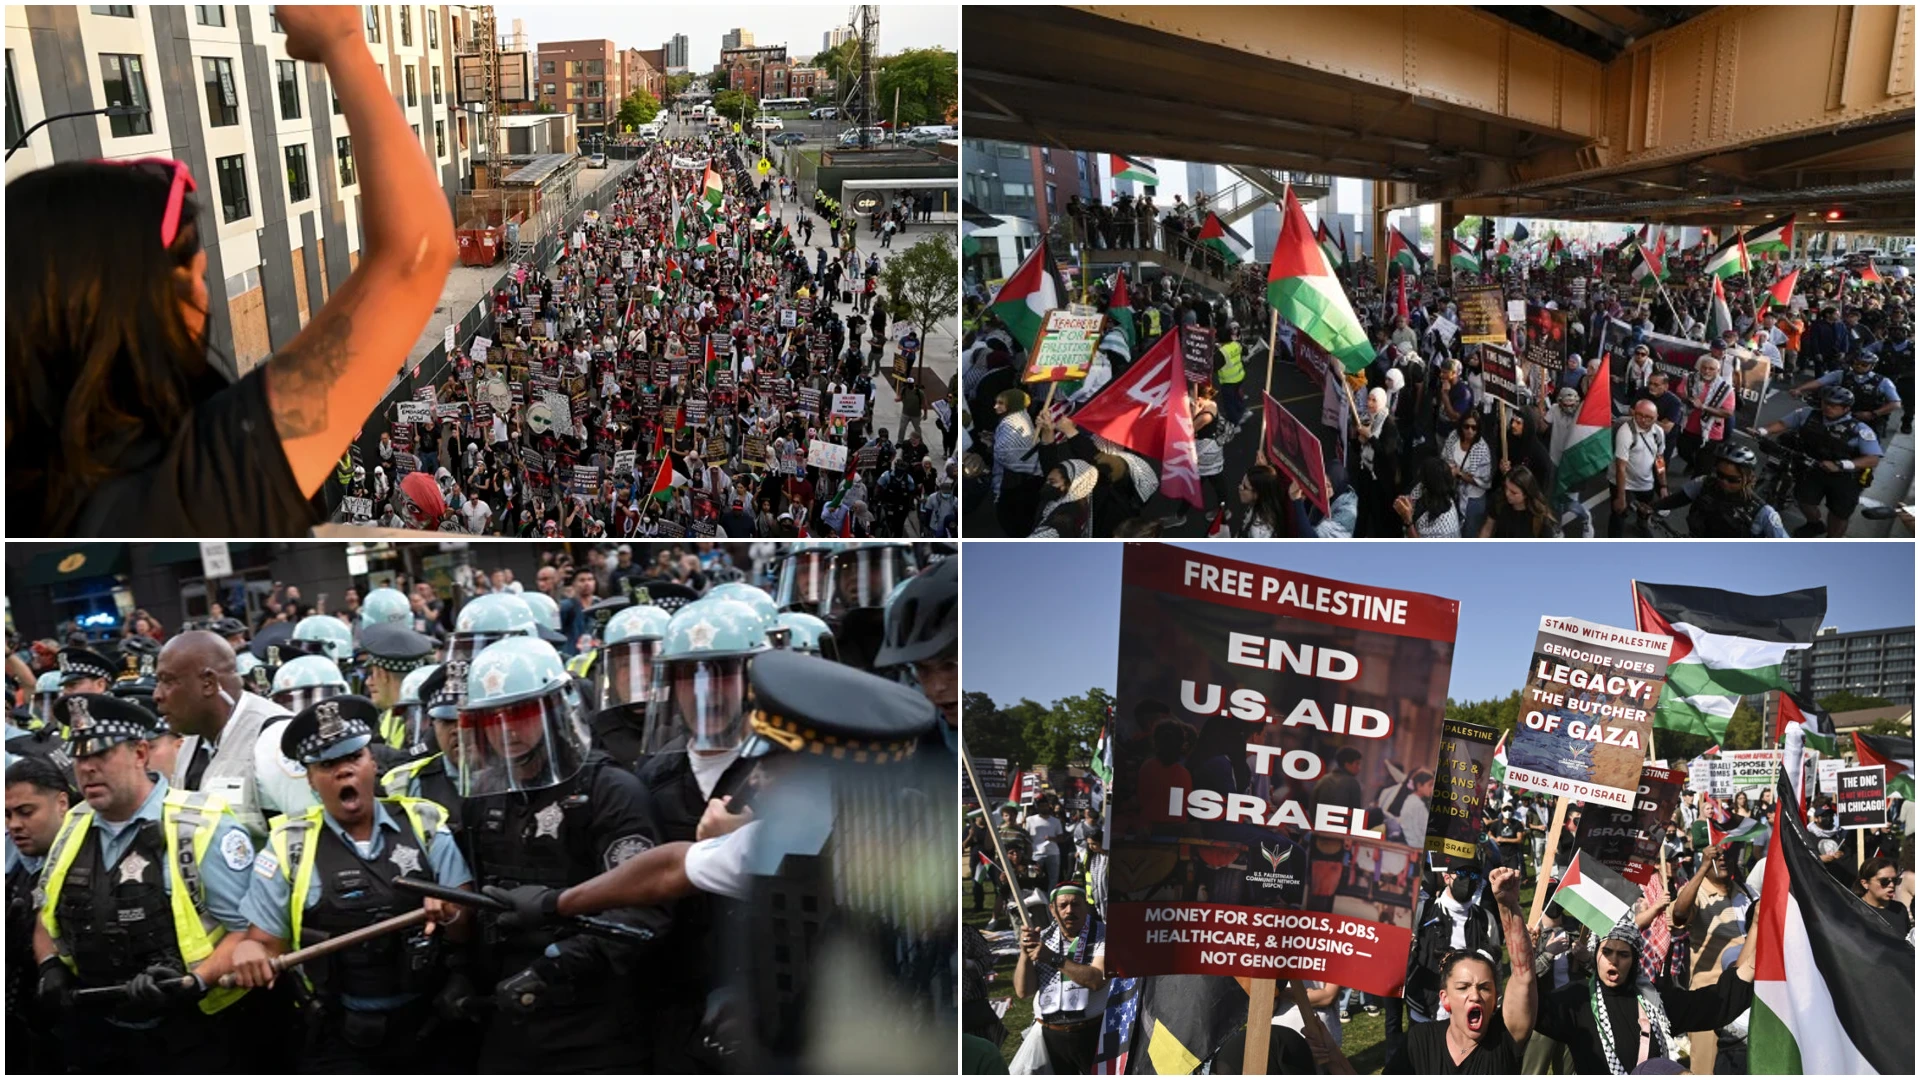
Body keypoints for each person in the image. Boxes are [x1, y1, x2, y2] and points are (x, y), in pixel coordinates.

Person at [6, 5, 457, 536]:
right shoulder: (183, 490)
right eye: (194, 279)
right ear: (139, 307)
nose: (207, 302)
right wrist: (340, 38)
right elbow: (415, 254)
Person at [447, 635, 668, 1073]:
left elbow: (645, 910)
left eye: (523, 712)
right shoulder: (483, 797)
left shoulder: (611, 791)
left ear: (553, 708)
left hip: (595, 1019)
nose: (507, 729)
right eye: (493, 717)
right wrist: (458, 970)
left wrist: (556, 967)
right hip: (509, 1014)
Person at [228, 695, 471, 1071]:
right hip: (336, 1036)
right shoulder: (288, 846)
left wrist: (453, 915)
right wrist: (249, 953)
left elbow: (467, 927)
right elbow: (263, 944)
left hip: (430, 1027)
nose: (344, 772)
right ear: (309, 778)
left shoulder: (425, 826)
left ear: (373, 762)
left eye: (353, 758)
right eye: (327, 764)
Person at [30, 694, 258, 1072]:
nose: (86, 769)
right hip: (95, 1033)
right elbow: (46, 913)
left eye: (101, 756)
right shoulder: (73, 824)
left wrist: (192, 983)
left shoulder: (201, 826)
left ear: (139, 753)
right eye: (80, 757)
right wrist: (49, 964)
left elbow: (248, 931)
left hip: (189, 1036)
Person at [1533, 911, 1757, 1075]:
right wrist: (1525, 956)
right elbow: (1528, 1011)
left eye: (1623, 955)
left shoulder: (1655, 1000)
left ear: (1634, 960)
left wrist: (1754, 963)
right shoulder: (1578, 999)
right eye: (1607, 952)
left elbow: (1714, 1004)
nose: (1614, 961)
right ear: (1596, 954)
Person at [152, 630, 305, 837]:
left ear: (208, 683)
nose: (157, 695)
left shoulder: (274, 742)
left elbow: (313, 844)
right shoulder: (192, 741)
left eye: (168, 681)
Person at [1386, 865, 1534, 1073]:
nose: (1475, 995)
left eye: (1484, 987)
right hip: (1423, 1008)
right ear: (1444, 998)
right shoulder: (1419, 1042)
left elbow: (1522, 974)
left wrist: (1508, 905)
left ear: (1496, 996)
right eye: (1463, 987)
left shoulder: (1503, 1041)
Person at [5, 755, 71, 1074]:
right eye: (7, 814)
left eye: (26, 812)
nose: (14, 824)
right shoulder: (18, 870)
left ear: (62, 804)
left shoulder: (85, 865)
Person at [1668, 839, 1751, 1073]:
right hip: (1710, 998)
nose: (1722, 859)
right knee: (1706, 1067)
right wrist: (1703, 867)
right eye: (1716, 856)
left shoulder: (1745, 892)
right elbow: (1679, 912)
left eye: (1726, 854)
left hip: (1744, 995)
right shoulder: (1698, 892)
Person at [1756, 384, 1882, 537]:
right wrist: (1763, 431)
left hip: (1845, 477)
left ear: (1846, 408)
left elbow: (1872, 458)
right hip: (1813, 467)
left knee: (1839, 513)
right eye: (1826, 403)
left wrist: (1840, 465)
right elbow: (1783, 424)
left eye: (1834, 405)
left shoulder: (1859, 429)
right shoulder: (1807, 414)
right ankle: (1814, 524)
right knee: (1804, 499)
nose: (1828, 407)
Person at [1013, 880, 1109, 1075]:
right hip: (1050, 1035)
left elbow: (1096, 980)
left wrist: (1052, 958)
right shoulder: (1044, 938)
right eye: (1063, 905)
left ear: (1086, 906)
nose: (1069, 911)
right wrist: (1024, 954)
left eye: (1075, 904)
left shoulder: (1104, 935)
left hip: (1093, 1033)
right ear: (1052, 909)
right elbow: (1023, 991)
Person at [1654, 442, 1788, 537]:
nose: (1724, 482)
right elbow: (1677, 499)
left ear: (1748, 478)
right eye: (1720, 475)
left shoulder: (1764, 513)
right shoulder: (1704, 483)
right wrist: (1651, 507)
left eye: (1732, 479)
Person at [358, 621, 436, 753]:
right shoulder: (391, 716)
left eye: (372, 674)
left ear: (383, 675)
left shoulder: (419, 719)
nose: (368, 682)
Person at [1609, 400, 1666, 537]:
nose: (1643, 420)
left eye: (1649, 417)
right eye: (1639, 415)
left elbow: (1659, 460)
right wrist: (1621, 497)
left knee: (1645, 510)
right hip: (1623, 482)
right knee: (1618, 515)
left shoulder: (1658, 432)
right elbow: (1620, 467)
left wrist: (1663, 485)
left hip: (1646, 482)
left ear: (1656, 417)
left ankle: (1641, 524)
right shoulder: (1626, 432)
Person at [1856, 856, 1913, 935]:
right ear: (1865, 883)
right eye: (1884, 881)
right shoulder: (1853, 910)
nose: (1891, 885)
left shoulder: (1899, 909)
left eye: (1895, 880)